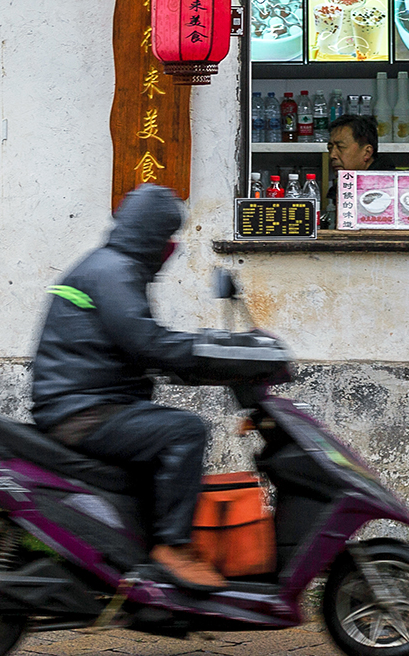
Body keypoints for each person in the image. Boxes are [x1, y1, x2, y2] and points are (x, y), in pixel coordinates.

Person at [30, 184, 289, 592]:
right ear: (153, 237)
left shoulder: (109, 265)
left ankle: (142, 555)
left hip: (85, 403)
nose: (170, 250)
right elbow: (147, 342)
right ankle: (173, 548)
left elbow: (141, 347)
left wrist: (211, 359)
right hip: (83, 411)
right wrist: (216, 350)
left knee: (165, 430)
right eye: (168, 239)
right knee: (184, 431)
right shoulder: (113, 271)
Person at [323, 114, 378, 226]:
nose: (332, 155)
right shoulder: (340, 187)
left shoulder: (388, 187)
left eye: (341, 147)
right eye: (330, 148)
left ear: (367, 152)